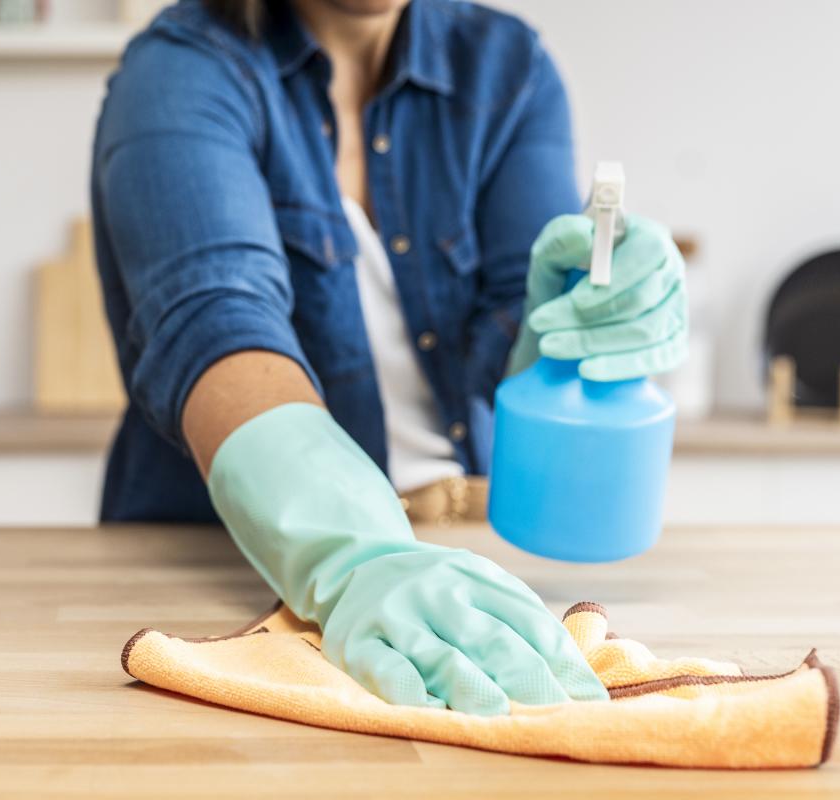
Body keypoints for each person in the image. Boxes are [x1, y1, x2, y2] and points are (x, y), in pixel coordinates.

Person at [91, 0, 687, 716]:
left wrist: (578, 321)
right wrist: (361, 556)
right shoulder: (181, 70)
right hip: (231, 573)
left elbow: (511, 358)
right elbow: (214, 323)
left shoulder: (505, 66)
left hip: (464, 561)